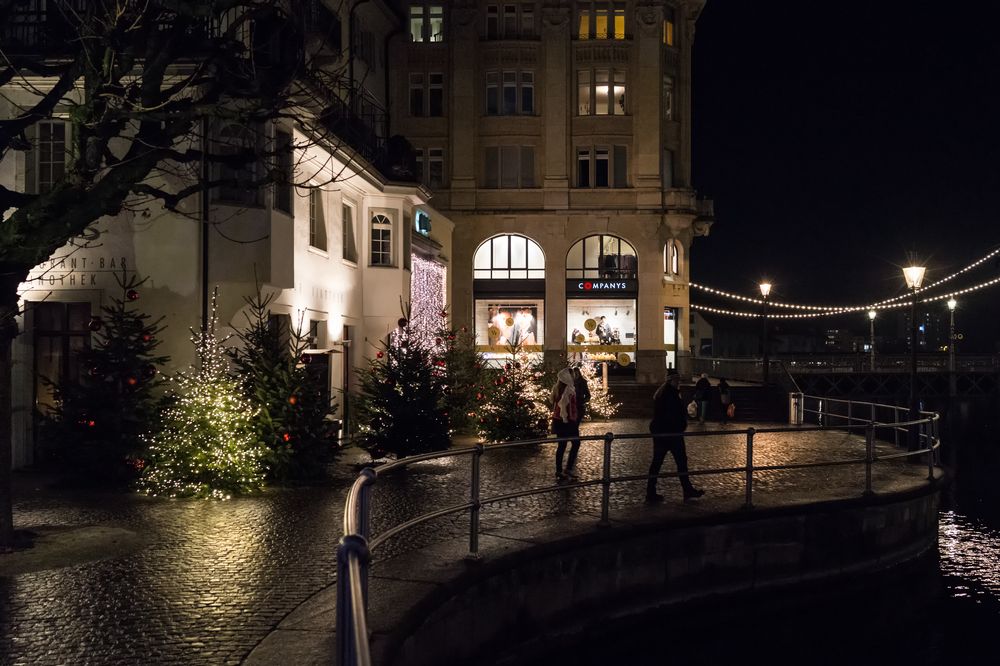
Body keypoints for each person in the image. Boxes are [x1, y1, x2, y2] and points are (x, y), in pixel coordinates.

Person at [646, 369, 704, 502]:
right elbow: (672, 415)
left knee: (660, 463)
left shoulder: (665, 393)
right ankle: (686, 490)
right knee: (679, 462)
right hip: (671, 434)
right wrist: (681, 426)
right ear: (671, 380)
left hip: (664, 433)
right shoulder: (670, 394)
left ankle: (651, 492)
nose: (679, 382)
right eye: (677, 380)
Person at [551, 367, 580, 481]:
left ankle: (560, 470)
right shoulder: (568, 390)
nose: (573, 377)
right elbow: (565, 408)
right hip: (566, 421)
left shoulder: (557, 388)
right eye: (572, 375)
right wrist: (570, 419)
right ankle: (567, 469)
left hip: (559, 421)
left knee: (562, 446)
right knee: (575, 443)